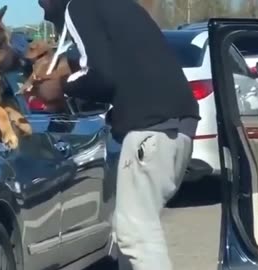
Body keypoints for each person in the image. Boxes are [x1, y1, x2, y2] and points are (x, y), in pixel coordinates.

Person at [37, 0, 201, 269]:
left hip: (149, 131)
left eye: (42, 2)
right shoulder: (120, 6)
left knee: (135, 236)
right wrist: (70, 62)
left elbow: (101, 75)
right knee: (130, 231)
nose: (42, 10)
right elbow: (118, 60)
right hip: (178, 129)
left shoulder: (78, 7)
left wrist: (60, 86)